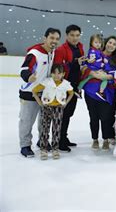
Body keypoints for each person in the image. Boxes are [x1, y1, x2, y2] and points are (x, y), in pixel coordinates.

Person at [19, 27, 60, 158]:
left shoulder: (52, 52)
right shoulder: (35, 53)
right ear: (45, 38)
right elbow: (24, 69)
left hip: (45, 93)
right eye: (51, 38)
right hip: (29, 93)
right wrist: (28, 76)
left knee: (44, 120)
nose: (54, 41)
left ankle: (42, 140)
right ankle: (25, 145)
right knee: (27, 120)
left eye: (57, 39)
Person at [83, 36, 116, 150]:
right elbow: (85, 67)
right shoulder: (95, 54)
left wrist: (106, 76)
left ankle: (105, 139)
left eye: (114, 44)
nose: (111, 45)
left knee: (106, 117)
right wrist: (92, 73)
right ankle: (94, 139)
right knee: (93, 117)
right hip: (90, 91)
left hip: (106, 93)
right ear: (106, 43)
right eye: (110, 42)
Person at [53, 24, 85, 152]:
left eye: (77, 35)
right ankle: (60, 140)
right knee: (63, 114)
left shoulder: (80, 47)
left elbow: (80, 67)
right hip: (64, 87)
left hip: (75, 86)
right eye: (72, 35)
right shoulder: (61, 49)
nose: (75, 38)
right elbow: (58, 69)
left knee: (69, 113)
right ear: (67, 35)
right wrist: (74, 63)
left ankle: (63, 137)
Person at [31, 64, 74, 160]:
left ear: (63, 74)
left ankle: (55, 149)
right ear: (51, 74)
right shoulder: (47, 82)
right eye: (54, 73)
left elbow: (71, 93)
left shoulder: (66, 84)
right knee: (44, 128)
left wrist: (65, 103)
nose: (56, 75)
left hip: (58, 108)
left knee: (56, 129)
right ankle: (44, 149)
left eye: (59, 73)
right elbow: (34, 91)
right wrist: (40, 103)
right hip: (46, 107)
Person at [77, 34, 108, 101]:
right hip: (93, 69)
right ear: (91, 43)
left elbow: (102, 55)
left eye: (99, 43)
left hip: (96, 69)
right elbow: (92, 61)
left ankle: (79, 89)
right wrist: (101, 65)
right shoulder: (92, 51)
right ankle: (101, 91)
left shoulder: (98, 50)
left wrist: (105, 58)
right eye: (96, 42)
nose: (98, 44)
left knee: (87, 79)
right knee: (104, 78)